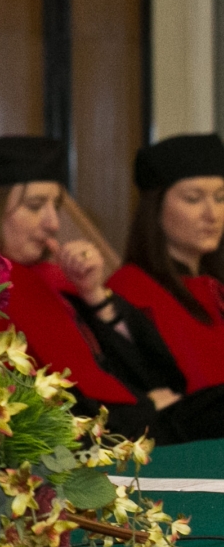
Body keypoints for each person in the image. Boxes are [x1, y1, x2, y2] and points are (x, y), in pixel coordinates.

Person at [0, 135, 224, 442]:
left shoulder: (52, 279)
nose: (53, 224)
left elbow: (142, 372)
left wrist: (94, 294)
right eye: (35, 206)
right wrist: (145, 406)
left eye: (56, 206)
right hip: (93, 438)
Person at [108, 133, 224, 391]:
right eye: (193, 199)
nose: (212, 214)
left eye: (220, 198)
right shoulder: (130, 289)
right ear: (156, 207)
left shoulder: (215, 286)